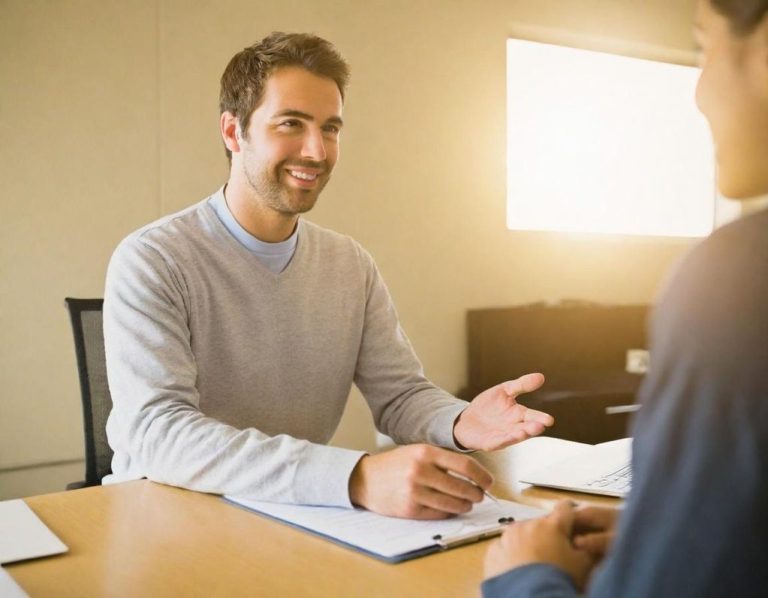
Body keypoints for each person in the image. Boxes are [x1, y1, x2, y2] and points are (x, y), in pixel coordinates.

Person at [102, 32, 554, 519]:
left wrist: (461, 421)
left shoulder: (349, 264)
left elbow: (400, 396)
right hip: (165, 512)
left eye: (331, 128)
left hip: (294, 511)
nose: (316, 151)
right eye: (291, 124)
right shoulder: (154, 258)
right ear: (233, 133)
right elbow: (159, 434)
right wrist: (355, 477)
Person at [482, 0, 768, 595]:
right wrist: (669, 533)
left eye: (703, 49)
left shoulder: (738, 279)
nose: (698, 94)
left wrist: (525, 578)